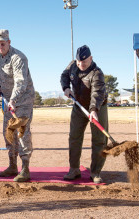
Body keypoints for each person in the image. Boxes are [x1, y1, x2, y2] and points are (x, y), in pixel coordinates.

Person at [60, 45, 108, 184]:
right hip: (79, 106)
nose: (81, 64)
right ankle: (74, 169)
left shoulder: (97, 73)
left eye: (84, 62)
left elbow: (97, 94)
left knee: (99, 140)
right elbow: (64, 75)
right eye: (78, 62)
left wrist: (93, 110)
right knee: (74, 137)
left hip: (98, 107)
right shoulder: (73, 65)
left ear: (91, 58)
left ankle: (95, 172)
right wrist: (66, 87)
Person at [0, 29, 35, 182]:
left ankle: (25, 168)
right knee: (9, 131)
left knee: (23, 131)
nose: (0, 47)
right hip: (8, 101)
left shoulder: (19, 58)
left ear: (9, 42)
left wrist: (14, 99)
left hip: (23, 99)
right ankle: (12, 165)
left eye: (2, 44)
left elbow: (21, 82)